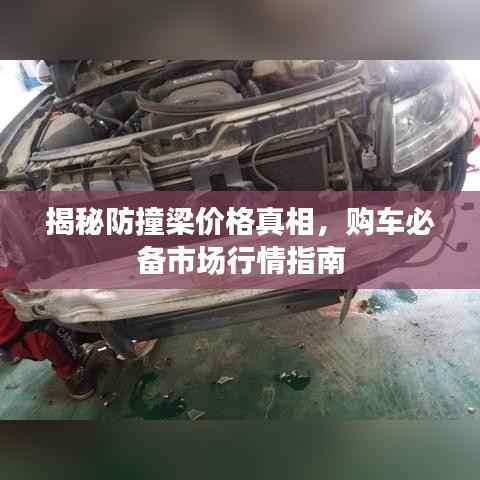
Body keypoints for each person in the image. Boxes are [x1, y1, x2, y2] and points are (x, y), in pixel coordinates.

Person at [0, 265, 100, 400]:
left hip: (18, 319)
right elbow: (26, 293)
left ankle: (76, 350)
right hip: (17, 333)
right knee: (51, 330)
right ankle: (71, 373)